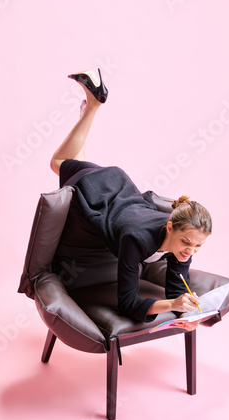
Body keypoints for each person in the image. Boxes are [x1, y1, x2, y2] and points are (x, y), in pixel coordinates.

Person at [50, 68, 212, 329]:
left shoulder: (186, 240)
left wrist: (188, 315)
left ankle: (87, 111)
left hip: (121, 189)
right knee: (58, 163)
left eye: (197, 247)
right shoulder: (136, 240)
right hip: (98, 189)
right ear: (170, 227)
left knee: (75, 160)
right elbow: (127, 303)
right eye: (186, 243)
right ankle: (92, 107)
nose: (190, 252)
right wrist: (172, 305)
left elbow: (175, 290)